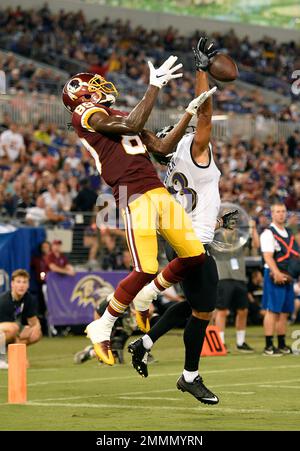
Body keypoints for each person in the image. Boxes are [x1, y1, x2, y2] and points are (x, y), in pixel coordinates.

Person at [62, 55, 216, 365]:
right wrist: (154, 86)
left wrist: (189, 112)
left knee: (195, 256)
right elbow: (132, 124)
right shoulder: (86, 115)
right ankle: (102, 326)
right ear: (82, 96)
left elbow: (161, 148)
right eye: (92, 88)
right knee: (145, 267)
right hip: (133, 194)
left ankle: (148, 295)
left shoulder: (115, 114)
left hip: (156, 190)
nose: (100, 90)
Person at [127, 37, 238, 404]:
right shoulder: (192, 149)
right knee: (205, 310)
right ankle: (189, 375)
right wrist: (202, 70)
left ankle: (143, 342)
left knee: (194, 306)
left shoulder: (173, 162)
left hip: (187, 236)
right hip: (194, 243)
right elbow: (204, 112)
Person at [260, 202, 300, 355]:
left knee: (284, 311)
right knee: (272, 310)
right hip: (274, 275)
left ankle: (282, 343)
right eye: (278, 211)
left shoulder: (289, 232)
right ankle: (269, 345)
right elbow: (268, 257)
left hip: (288, 276)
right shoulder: (268, 233)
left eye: (283, 211)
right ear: (272, 214)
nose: (281, 214)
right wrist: (276, 273)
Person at [214, 221, 259, 352]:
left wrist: (253, 228)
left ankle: (241, 342)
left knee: (243, 310)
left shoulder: (241, 236)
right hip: (223, 277)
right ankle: (220, 343)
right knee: (222, 311)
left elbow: (256, 245)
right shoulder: (217, 236)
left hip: (239, 277)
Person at [0, 269, 42, 369]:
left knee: (36, 334)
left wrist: (34, 328)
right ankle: (1, 358)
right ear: (12, 284)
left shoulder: (29, 299)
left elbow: (34, 323)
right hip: (3, 330)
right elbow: (9, 331)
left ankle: (13, 356)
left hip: (10, 333)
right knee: (13, 328)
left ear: (28, 285)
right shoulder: (4, 301)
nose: (21, 285)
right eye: (18, 282)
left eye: (24, 282)